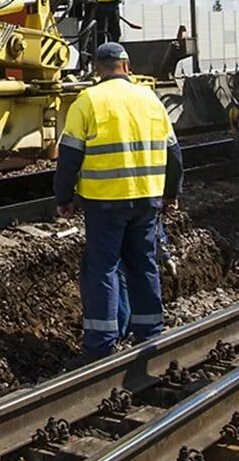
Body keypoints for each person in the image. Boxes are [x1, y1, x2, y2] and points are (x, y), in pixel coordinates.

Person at [56, 43, 182, 358]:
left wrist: (64, 198)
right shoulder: (151, 99)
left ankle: (101, 344)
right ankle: (150, 333)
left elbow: (69, 157)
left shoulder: (88, 101)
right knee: (143, 264)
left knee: (104, 269)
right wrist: (171, 194)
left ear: (97, 69)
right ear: (126, 66)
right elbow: (174, 154)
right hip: (147, 199)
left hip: (105, 203)